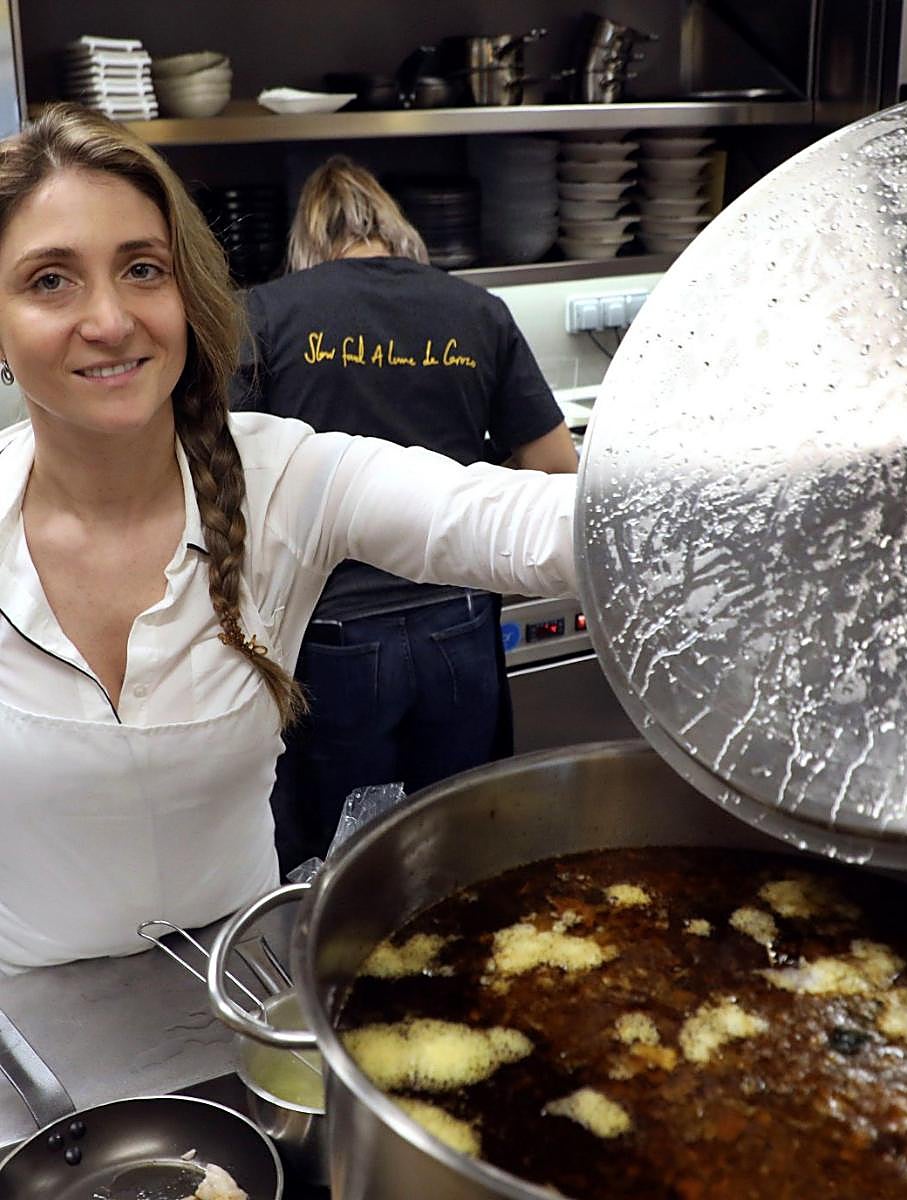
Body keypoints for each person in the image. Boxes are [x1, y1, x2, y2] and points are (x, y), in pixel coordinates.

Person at [0, 104, 576, 974]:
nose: (110, 319)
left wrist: (778, 502)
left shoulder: (285, 478)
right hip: (35, 1050)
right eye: (50, 280)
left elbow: (522, 520)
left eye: (142, 269)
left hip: (243, 1002)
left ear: (186, 293)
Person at [231, 156, 577, 872]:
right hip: (458, 625)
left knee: (340, 868)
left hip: (329, 639)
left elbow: (224, 483)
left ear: (308, 241)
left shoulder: (265, 313)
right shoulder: (476, 310)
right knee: (464, 843)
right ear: (397, 229)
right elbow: (554, 470)